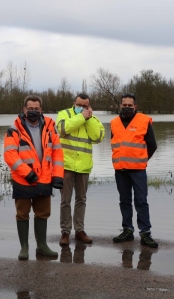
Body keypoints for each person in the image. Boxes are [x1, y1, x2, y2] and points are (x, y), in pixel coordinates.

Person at [4, 95, 64, 260]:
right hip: (22, 179)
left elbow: (57, 152)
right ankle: (24, 247)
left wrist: (58, 176)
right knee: (22, 214)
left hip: (44, 178)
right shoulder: (13, 129)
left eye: (36, 109)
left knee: (43, 213)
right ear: (24, 110)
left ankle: (42, 246)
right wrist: (27, 173)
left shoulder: (50, 127)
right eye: (30, 109)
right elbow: (10, 155)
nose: (33, 111)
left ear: (41, 110)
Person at [110, 93, 158, 247]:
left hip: (138, 170)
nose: (127, 107)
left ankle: (145, 233)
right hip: (120, 170)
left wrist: (142, 160)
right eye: (124, 105)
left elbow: (152, 145)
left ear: (135, 107)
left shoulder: (144, 121)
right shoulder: (114, 123)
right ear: (120, 106)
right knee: (124, 201)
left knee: (141, 201)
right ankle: (127, 230)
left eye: (130, 105)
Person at [56, 93, 105, 245]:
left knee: (81, 200)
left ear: (89, 106)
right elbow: (62, 128)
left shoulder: (93, 119)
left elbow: (98, 137)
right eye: (79, 105)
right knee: (65, 201)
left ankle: (79, 231)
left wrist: (88, 118)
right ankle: (65, 232)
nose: (82, 108)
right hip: (66, 165)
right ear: (74, 103)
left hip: (83, 167)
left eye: (85, 106)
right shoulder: (64, 114)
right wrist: (81, 117)